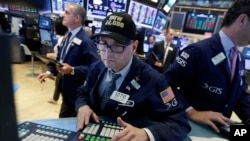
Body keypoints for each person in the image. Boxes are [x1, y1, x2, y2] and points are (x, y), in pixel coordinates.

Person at [75, 12, 190, 141]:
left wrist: (147, 134)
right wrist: (83, 106)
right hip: (91, 135)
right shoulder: (97, 67)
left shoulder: (154, 80)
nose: (108, 52)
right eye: (103, 43)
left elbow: (179, 122)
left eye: (117, 45)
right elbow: (82, 93)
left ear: (134, 47)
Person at [165, 0, 250, 134]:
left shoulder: (239, 58)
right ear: (243, 20)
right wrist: (190, 111)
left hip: (219, 132)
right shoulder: (199, 51)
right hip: (190, 130)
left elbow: (240, 95)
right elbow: (164, 86)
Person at [37, 3, 99, 118]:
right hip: (66, 93)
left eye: (67, 12)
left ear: (76, 18)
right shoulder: (67, 37)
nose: (63, 15)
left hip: (78, 96)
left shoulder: (86, 41)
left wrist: (73, 70)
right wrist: (49, 72)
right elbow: (60, 60)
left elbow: (95, 68)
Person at [46, 17, 68, 105]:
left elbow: (62, 57)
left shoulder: (64, 39)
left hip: (65, 68)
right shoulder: (61, 38)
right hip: (60, 67)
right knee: (58, 82)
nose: (54, 29)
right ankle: (55, 98)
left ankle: (56, 99)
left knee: (60, 83)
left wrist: (52, 56)